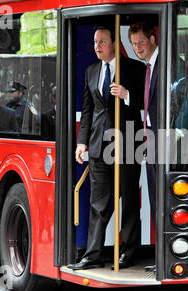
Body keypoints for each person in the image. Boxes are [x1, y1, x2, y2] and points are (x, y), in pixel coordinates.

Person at [68, 26, 145, 270]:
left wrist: (127, 95)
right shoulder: (91, 70)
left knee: (130, 200)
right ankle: (92, 255)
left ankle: (128, 253)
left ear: (113, 43)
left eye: (102, 41)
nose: (97, 46)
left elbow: (149, 102)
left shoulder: (134, 68)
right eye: (95, 42)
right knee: (97, 203)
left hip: (128, 143)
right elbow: (89, 109)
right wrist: (82, 143)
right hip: (99, 146)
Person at [128, 21, 158, 272]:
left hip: (165, 140)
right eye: (134, 43)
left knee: (161, 198)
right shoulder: (146, 67)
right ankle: (162, 256)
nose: (138, 47)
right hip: (150, 139)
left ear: (153, 38)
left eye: (142, 42)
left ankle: (165, 256)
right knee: (155, 198)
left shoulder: (165, 64)